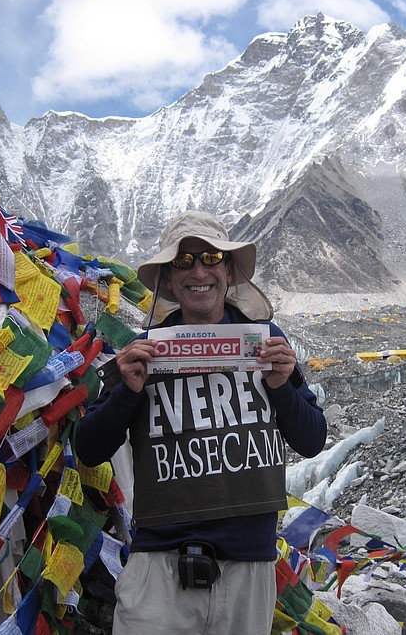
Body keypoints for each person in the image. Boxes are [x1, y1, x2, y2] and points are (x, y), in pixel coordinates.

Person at [75, 210, 326, 634]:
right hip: (158, 564)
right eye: (183, 262)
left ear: (228, 271)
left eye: (210, 258)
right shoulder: (143, 352)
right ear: (168, 281)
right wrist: (126, 392)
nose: (198, 271)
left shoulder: (265, 343)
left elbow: (312, 439)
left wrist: (282, 386)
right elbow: (88, 448)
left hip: (248, 567)